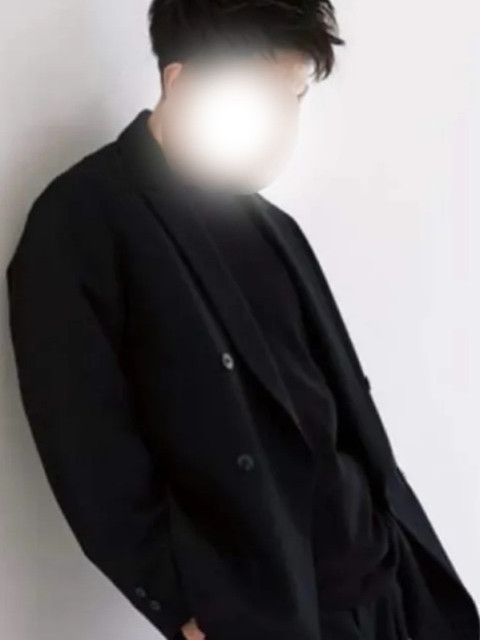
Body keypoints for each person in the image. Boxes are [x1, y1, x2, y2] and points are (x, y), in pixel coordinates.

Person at [6, 2, 479, 640]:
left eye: (294, 96)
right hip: (268, 612)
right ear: (180, 81)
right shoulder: (82, 222)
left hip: (388, 584)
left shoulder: (273, 226)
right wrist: (183, 607)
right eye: (259, 96)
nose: (282, 124)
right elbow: (88, 451)